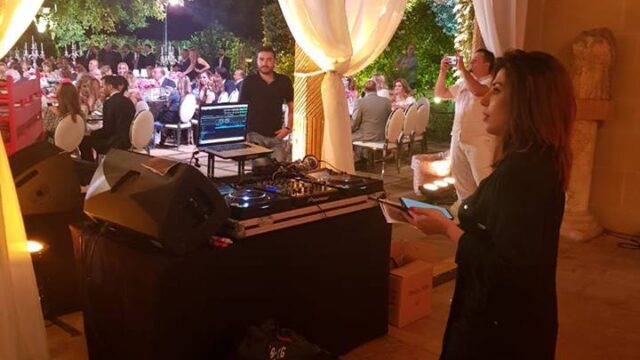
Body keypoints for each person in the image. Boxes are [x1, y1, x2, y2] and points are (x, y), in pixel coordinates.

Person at [408, 50, 574, 360]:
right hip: (521, 321)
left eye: (496, 91)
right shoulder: (537, 160)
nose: (484, 101)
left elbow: (505, 267)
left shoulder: (522, 173)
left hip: (499, 331)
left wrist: (446, 228)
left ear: (527, 102)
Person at [435, 48, 496, 202]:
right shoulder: (463, 83)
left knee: (484, 182)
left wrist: (462, 69)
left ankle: (487, 219)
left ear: (487, 64)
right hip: (458, 138)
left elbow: (478, 91)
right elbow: (440, 93)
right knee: (461, 182)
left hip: (479, 140)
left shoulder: (491, 82)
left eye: (475, 60)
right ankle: (466, 216)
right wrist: (443, 71)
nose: (470, 63)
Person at [239, 46, 293, 162]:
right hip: (255, 136)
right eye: (261, 59)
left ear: (274, 61)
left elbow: (292, 106)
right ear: (257, 61)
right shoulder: (249, 81)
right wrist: (244, 135)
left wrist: (288, 128)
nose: (265, 63)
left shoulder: (284, 81)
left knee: (279, 171)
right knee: (261, 170)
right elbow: (241, 109)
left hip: (277, 136)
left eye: (269, 59)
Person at [80, 75, 136, 160]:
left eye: (103, 86)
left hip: (114, 142)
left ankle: (89, 167)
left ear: (110, 87)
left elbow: (107, 130)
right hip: (128, 140)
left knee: (84, 140)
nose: (101, 89)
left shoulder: (109, 103)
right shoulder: (129, 102)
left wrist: (92, 133)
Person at [351, 80, 391, 165]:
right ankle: (362, 158)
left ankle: (356, 161)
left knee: (345, 137)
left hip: (367, 135)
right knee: (358, 132)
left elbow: (355, 123)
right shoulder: (386, 101)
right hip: (383, 135)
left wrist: (348, 129)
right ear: (376, 89)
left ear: (364, 90)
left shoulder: (360, 102)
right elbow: (389, 119)